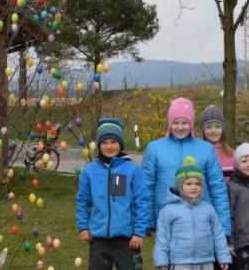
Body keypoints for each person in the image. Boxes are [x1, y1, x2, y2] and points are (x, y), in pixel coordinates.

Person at [142, 97, 231, 237]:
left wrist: (223, 227)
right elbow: (146, 186)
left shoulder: (206, 149)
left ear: (191, 123)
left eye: (184, 122)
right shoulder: (154, 149)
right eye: (175, 122)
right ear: (169, 123)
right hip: (166, 220)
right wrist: (146, 220)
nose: (180, 127)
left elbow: (217, 188)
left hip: (201, 219)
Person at [76, 118, 148, 270]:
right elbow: (83, 201)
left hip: (127, 239)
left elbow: (141, 202)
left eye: (113, 142)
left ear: (120, 143)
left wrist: (138, 232)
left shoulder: (132, 169)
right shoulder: (89, 171)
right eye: (104, 142)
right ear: (99, 145)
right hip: (99, 239)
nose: (109, 146)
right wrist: (83, 227)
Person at [153, 157, 231, 270]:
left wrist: (223, 257)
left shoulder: (209, 209)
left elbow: (218, 235)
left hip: (206, 261)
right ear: (180, 186)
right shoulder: (168, 210)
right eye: (188, 184)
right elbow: (162, 238)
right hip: (179, 262)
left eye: (198, 184)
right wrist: (162, 260)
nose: (194, 187)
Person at [200, 106, 235, 181]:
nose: (213, 131)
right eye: (209, 127)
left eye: (217, 127)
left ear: (222, 129)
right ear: (203, 130)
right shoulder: (198, 153)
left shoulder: (232, 154)